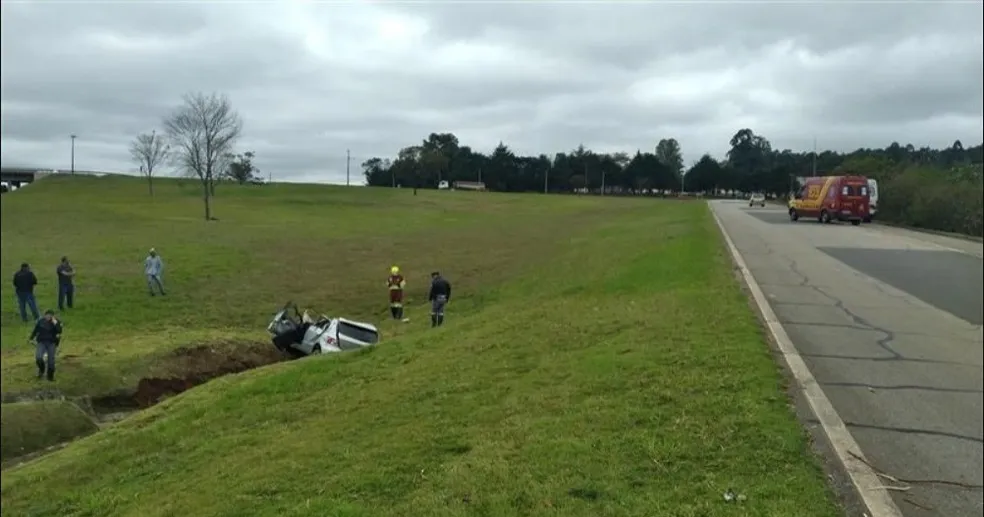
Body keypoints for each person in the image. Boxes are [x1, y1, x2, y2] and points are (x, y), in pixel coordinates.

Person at [30, 309, 63, 381]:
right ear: (44, 315)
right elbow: (35, 330)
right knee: (38, 357)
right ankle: (41, 370)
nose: (48, 317)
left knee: (51, 361)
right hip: (41, 342)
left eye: (50, 316)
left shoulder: (56, 322)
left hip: (51, 343)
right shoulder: (40, 321)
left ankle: (50, 377)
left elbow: (59, 331)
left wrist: (55, 323)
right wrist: (31, 338)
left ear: (52, 316)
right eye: (47, 315)